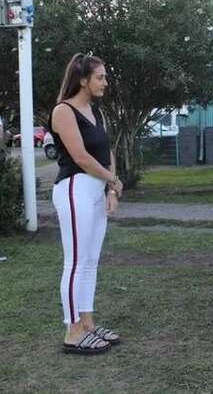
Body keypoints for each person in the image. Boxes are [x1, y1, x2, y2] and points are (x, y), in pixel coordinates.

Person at [49, 53, 123, 354]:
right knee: (76, 261)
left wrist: (111, 189)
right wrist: (113, 180)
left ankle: (88, 323)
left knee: (91, 261)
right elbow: (80, 157)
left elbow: (108, 152)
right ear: (83, 80)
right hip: (74, 188)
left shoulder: (97, 112)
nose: (105, 82)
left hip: (96, 190)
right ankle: (72, 330)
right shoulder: (63, 111)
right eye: (100, 77)